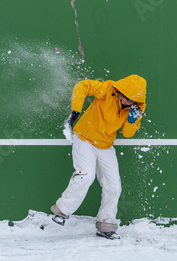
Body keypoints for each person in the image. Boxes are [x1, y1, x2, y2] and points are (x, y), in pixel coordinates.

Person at [51, 75, 147, 240]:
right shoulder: (108, 89)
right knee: (85, 175)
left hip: (105, 146)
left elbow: (127, 133)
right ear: (119, 91)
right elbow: (82, 86)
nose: (125, 101)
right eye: (124, 96)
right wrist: (75, 111)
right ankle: (62, 211)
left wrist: (132, 119)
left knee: (114, 186)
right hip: (85, 139)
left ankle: (106, 225)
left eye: (130, 100)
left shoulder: (136, 108)